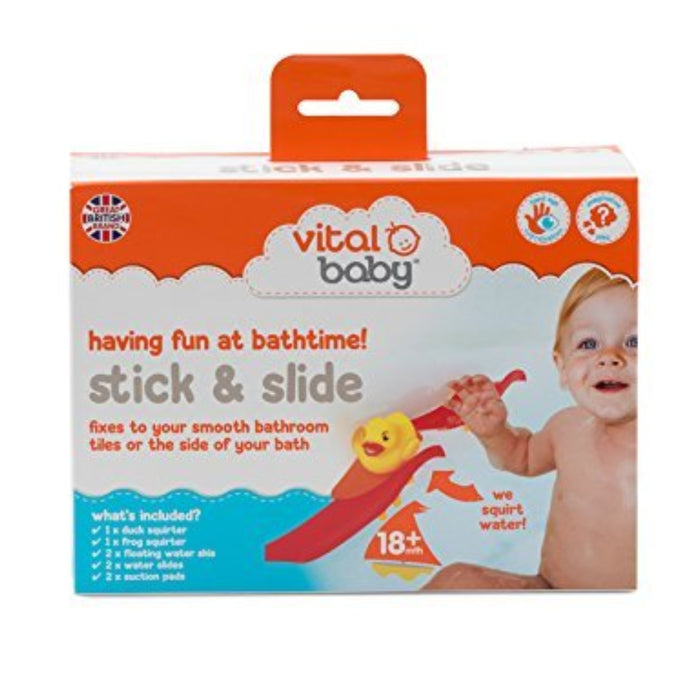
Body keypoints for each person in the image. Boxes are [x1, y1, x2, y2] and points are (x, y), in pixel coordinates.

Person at [424, 268, 637, 590]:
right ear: (562, 367)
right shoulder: (567, 427)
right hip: (547, 589)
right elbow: (522, 457)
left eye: (635, 341)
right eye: (589, 343)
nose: (609, 358)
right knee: (457, 580)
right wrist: (494, 432)